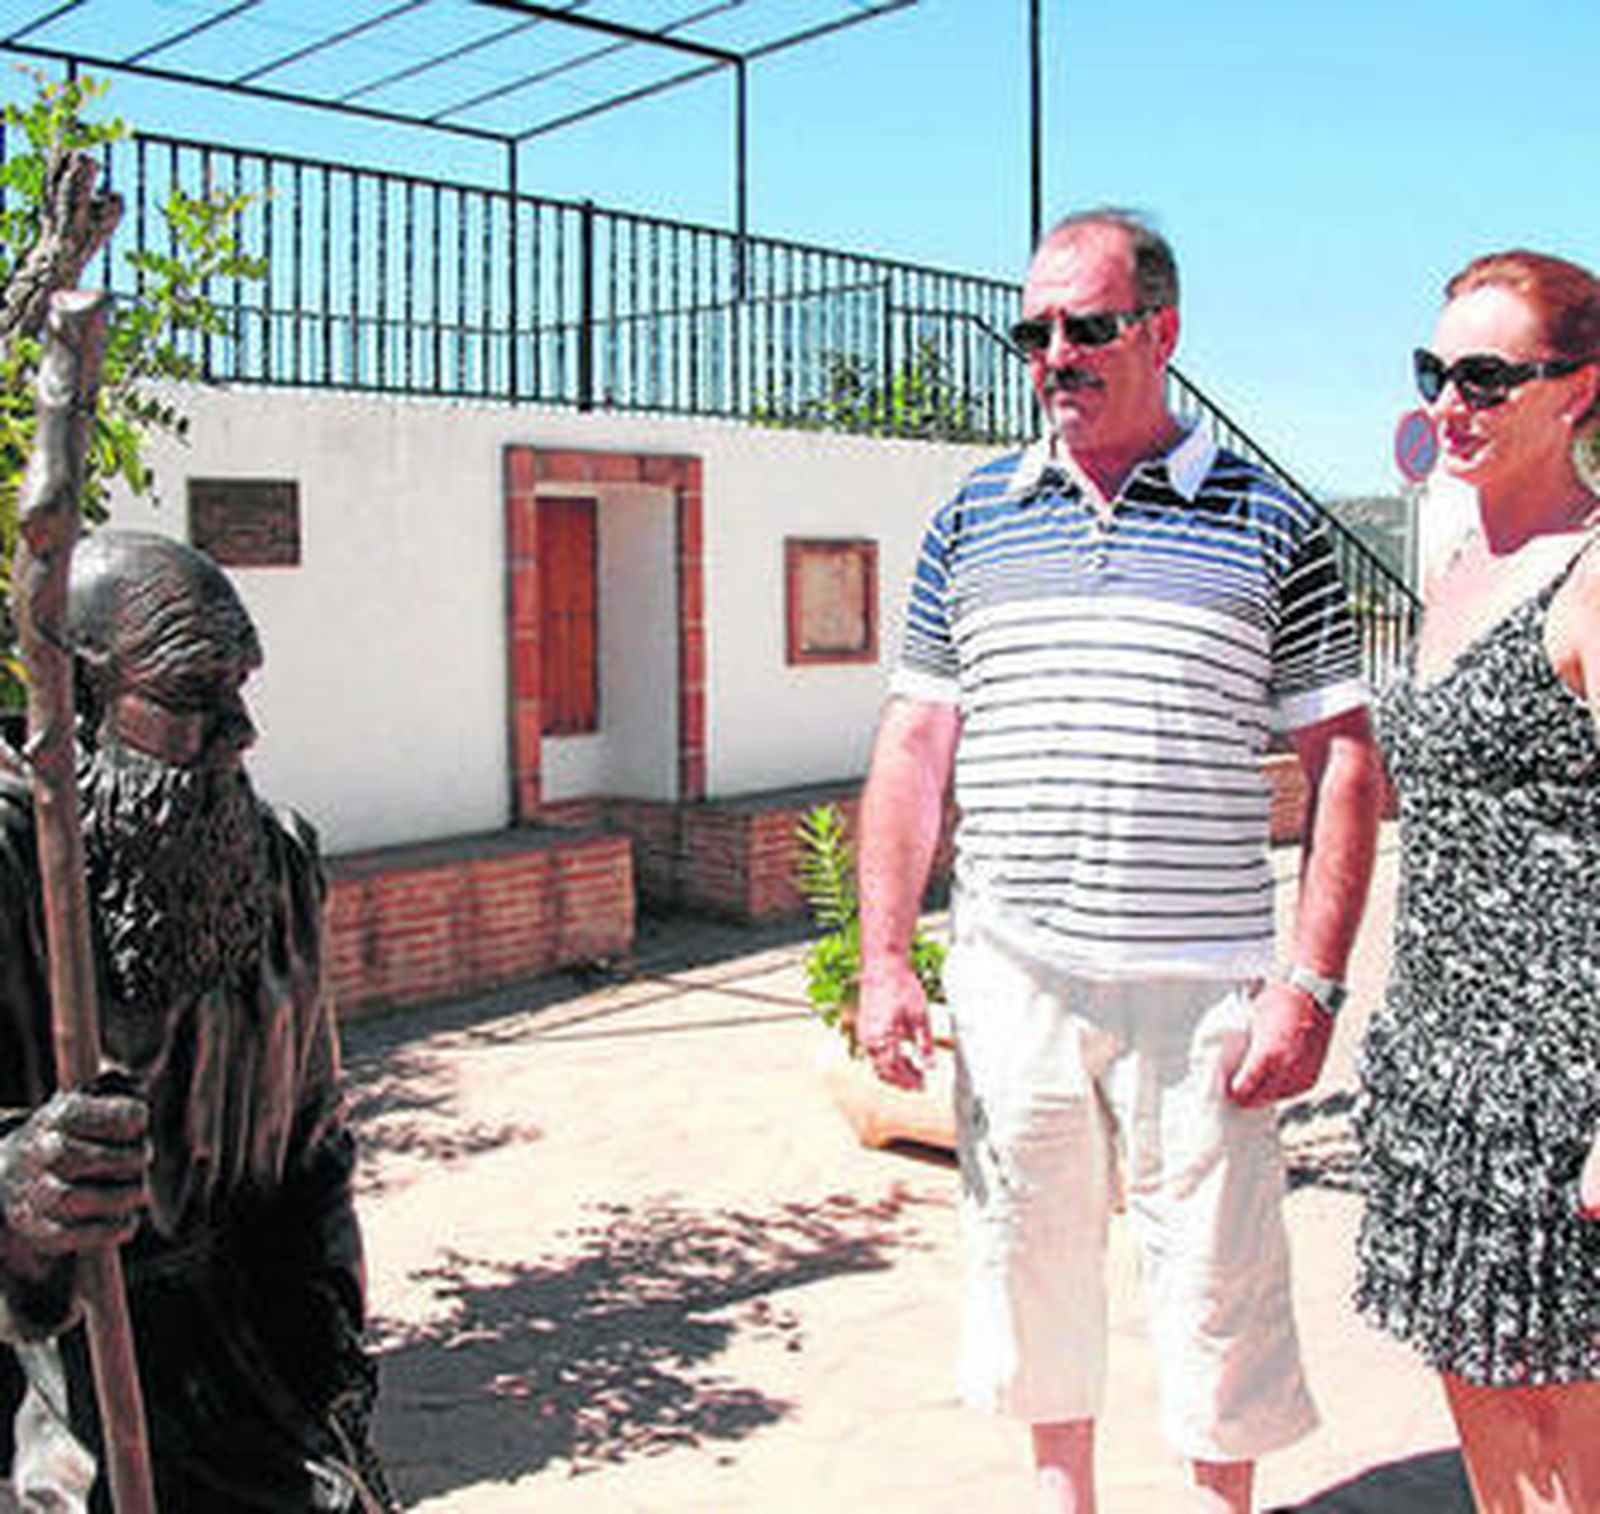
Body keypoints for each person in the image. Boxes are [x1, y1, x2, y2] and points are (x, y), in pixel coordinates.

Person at [857, 208, 1383, 1514]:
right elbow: (916, 743)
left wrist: (1309, 985)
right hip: (1011, 974)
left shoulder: (1272, 524)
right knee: (1027, 1273)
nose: (1054, 354)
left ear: (1162, 331)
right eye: (1033, 329)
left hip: (1203, 987)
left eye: (1086, 326)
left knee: (1219, 1290)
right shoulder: (972, 517)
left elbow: (1348, 766)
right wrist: (885, 960)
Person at [0, 531, 395, 1511]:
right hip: (44, 1368)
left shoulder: (275, 862)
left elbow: (314, 1154)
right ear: (78, 703)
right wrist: (19, 1195)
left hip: (237, 1354)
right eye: (190, 697)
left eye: (240, 685)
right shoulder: (10, 869)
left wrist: (328, 1362)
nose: (241, 730)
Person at [1355, 250, 1600, 1512]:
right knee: (1481, 1401)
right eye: (1435, 372)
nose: (1452, 402)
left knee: (1572, 1432)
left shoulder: (1593, 572)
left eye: (1490, 376)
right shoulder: (1457, 563)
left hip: (1558, 1083)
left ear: (1579, 389)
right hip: (1439, 1061)